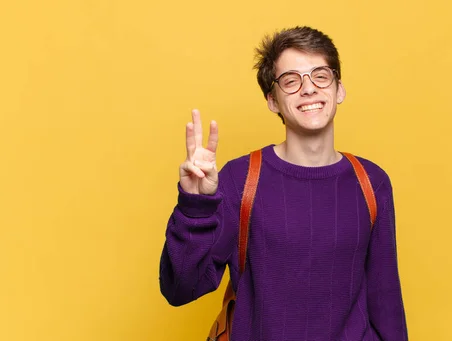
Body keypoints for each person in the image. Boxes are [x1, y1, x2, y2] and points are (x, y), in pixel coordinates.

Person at [159, 26, 409, 340]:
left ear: (339, 89)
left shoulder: (372, 182)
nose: (308, 89)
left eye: (320, 75)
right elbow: (181, 287)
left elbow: (386, 302)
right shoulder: (240, 179)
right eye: (291, 80)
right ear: (272, 100)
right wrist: (195, 206)